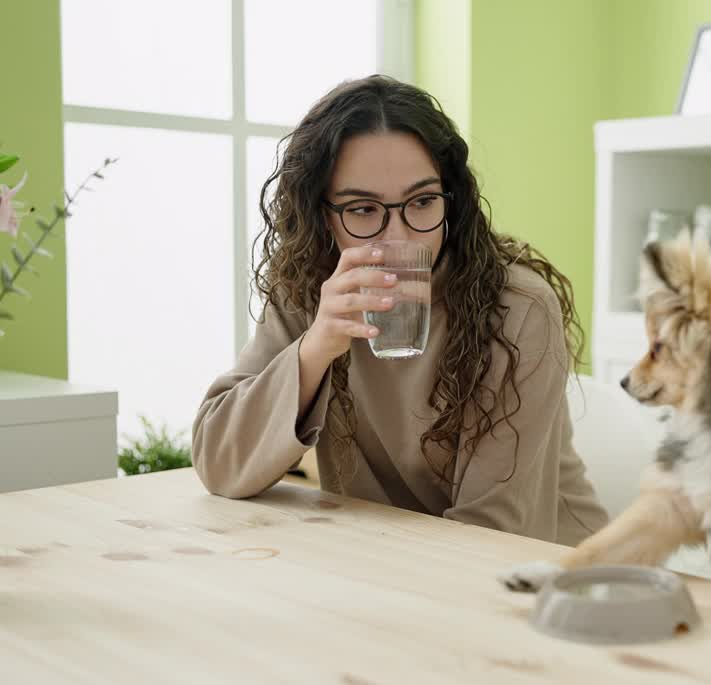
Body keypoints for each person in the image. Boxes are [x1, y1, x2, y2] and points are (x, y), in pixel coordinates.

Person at [192, 75, 609, 545]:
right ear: (321, 213)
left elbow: (490, 535)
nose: (399, 237)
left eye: (422, 202)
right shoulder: (308, 292)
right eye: (364, 209)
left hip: (554, 581)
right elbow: (218, 464)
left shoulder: (518, 309)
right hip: (395, 571)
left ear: (451, 200)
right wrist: (314, 351)